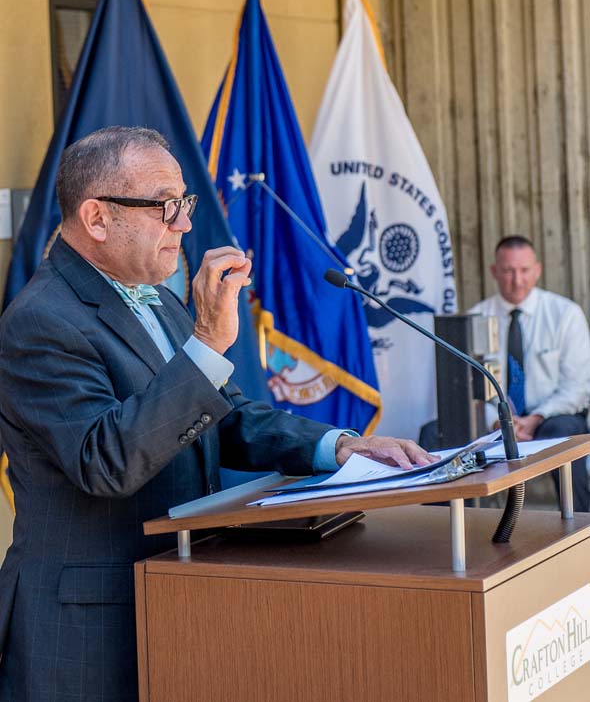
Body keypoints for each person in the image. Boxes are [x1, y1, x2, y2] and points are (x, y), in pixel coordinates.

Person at [0, 126, 433, 702]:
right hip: (88, 625)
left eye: (185, 204)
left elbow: (218, 417)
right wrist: (206, 343)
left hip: (179, 599)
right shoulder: (40, 321)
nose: (182, 224)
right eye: (164, 206)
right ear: (97, 218)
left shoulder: (157, 298)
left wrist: (339, 446)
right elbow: (106, 460)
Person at [470, 235, 590, 509]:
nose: (517, 280)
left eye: (524, 271)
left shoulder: (565, 314)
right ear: (494, 272)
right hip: (495, 420)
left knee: (563, 433)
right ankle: (445, 528)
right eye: (508, 271)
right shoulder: (475, 318)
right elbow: (467, 387)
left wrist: (535, 418)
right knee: (434, 432)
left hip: (550, 416)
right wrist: (496, 422)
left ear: (537, 270)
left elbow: (578, 387)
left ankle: (583, 527)